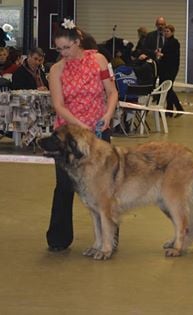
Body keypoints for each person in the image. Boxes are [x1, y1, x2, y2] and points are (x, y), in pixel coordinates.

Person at [46, 18, 118, 252]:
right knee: (64, 186)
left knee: (105, 188)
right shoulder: (56, 70)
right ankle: (58, 238)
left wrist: (107, 115)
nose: (63, 53)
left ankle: (109, 240)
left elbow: (112, 92)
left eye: (66, 47)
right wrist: (79, 127)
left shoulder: (99, 61)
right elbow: (59, 105)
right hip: (68, 135)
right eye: (59, 49)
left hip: (98, 133)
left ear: (78, 42)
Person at [157, 24, 184, 117]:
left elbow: (172, 56)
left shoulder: (174, 42)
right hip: (165, 69)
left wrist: (162, 55)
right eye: (165, 31)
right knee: (166, 89)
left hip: (171, 69)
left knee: (168, 89)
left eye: (168, 31)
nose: (166, 33)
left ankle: (179, 108)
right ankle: (169, 110)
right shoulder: (167, 42)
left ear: (172, 32)